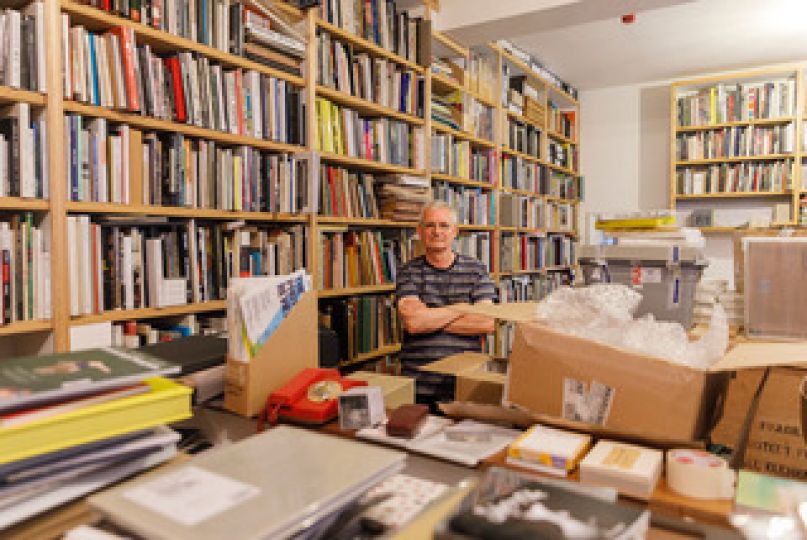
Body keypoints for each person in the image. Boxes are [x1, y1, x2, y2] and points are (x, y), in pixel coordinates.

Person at [396, 201, 496, 411]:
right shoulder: (408, 271)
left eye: (444, 225)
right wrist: (463, 308)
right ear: (420, 232)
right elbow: (414, 323)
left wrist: (429, 317)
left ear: (455, 232)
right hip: (418, 384)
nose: (437, 231)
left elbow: (487, 322)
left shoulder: (476, 269)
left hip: (464, 382)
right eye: (430, 225)